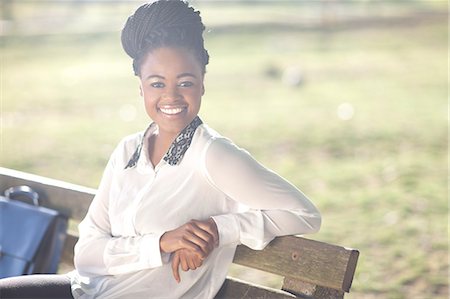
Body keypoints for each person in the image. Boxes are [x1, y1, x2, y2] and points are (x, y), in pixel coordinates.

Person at [0, 1, 321, 298]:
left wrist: (217, 230)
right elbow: (86, 254)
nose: (172, 96)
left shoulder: (213, 154)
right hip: (84, 290)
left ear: (202, 82)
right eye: (157, 83)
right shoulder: (127, 151)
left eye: (185, 82)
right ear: (140, 86)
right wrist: (162, 243)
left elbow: (304, 214)